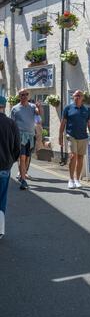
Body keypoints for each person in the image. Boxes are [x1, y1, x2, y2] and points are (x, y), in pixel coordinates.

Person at [59, 90, 90, 189]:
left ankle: (77, 179)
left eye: (79, 96)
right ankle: (70, 179)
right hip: (71, 136)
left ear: (83, 97)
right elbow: (63, 123)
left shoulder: (87, 109)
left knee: (80, 158)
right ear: (73, 97)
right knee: (73, 156)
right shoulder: (68, 108)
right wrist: (60, 136)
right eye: (75, 96)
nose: (77, 97)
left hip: (83, 136)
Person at [11, 89, 42, 190]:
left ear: (28, 96)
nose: (24, 96)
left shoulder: (32, 107)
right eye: (22, 95)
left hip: (30, 136)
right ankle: (23, 180)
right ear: (19, 96)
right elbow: (12, 124)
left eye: (26, 94)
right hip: (20, 136)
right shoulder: (15, 109)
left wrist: (39, 107)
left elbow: (39, 114)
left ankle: (22, 174)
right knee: (22, 157)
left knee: (27, 157)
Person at [0, 96, 20, 239]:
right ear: (4, 106)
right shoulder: (11, 124)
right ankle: (0, 230)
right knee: (1, 199)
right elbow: (17, 148)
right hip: (4, 167)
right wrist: (10, 161)